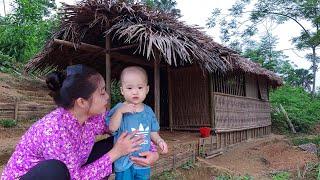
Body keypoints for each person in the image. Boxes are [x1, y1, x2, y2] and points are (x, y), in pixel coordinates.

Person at [1, 64, 159, 180]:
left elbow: (127, 128)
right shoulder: (55, 130)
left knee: (119, 141)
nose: (107, 97)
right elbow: (74, 178)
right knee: (54, 170)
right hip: (39, 176)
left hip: (72, 170)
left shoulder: (91, 118)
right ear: (82, 102)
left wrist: (151, 151)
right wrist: (116, 153)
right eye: (102, 92)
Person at [105, 66, 168, 180]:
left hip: (143, 161)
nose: (135, 92)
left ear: (147, 89)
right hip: (124, 162)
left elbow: (152, 132)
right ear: (122, 90)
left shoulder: (148, 111)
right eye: (129, 88)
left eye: (140, 87)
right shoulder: (119, 108)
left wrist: (159, 140)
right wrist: (120, 112)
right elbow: (112, 128)